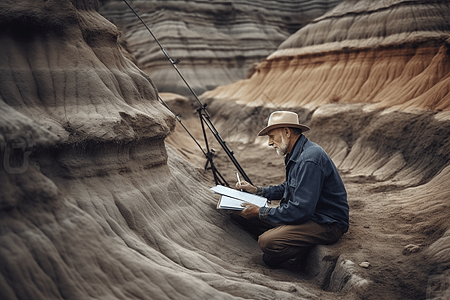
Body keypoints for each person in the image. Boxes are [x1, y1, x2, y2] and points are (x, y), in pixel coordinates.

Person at [234, 111, 349, 268]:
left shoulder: (310, 158)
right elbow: (288, 186)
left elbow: (301, 210)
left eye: (271, 136)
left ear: (287, 132)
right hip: (306, 216)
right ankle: (292, 241)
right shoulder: (295, 153)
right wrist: (257, 191)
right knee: (241, 215)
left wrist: (261, 211)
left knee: (267, 242)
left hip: (326, 222)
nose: (269, 142)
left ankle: (297, 254)